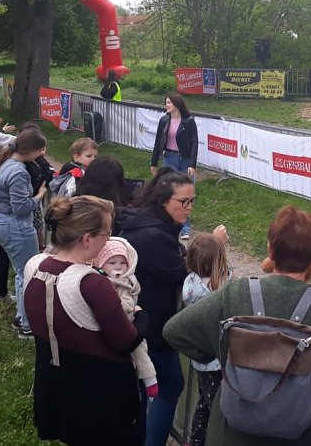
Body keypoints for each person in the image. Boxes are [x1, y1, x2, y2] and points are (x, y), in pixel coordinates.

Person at [163, 205, 311, 446]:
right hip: (298, 434)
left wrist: (224, 354)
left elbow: (174, 331)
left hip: (230, 434)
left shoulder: (236, 293)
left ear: (270, 250)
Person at [115, 167, 228, 446]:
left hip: (140, 319)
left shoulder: (146, 222)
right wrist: (214, 246)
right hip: (152, 326)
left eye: (193, 201)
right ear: (163, 200)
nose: (189, 208)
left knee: (145, 386)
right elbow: (182, 273)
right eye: (184, 202)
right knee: (170, 385)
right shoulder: (153, 236)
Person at [24, 196, 146, 445]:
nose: (109, 241)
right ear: (87, 239)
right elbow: (127, 340)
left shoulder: (35, 266)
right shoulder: (91, 283)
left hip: (55, 384)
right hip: (98, 397)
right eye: (107, 234)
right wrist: (143, 315)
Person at [0, 128, 48, 338]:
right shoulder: (19, 172)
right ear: (32, 150)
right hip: (15, 225)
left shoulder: (6, 161)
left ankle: (22, 316)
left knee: (21, 271)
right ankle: (27, 325)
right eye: (40, 150)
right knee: (27, 273)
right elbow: (21, 208)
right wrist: (39, 196)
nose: (42, 154)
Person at [91, 237, 159, 397]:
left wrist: (113, 303)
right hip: (105, 326)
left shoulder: (127, 283)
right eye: (112, 263)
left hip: (127, 321)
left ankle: (150, 379)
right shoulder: (97, 280)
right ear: (101, 264)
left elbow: (127, 303)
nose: (118, 267)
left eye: (123, 263)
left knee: (140, 349)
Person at [182, 233, 231, 446]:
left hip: (201, 361)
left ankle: (196, 440)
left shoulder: (191, 283)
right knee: (216, 408)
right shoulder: (214, 292)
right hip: (215, 362)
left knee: (203, 403)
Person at [150, 92, 198, 239]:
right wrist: (154, 163)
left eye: (169, 102)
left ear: (176, 104)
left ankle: (185, 228)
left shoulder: (189, 121)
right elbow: (158, 142)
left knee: (185, 193)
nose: (166, 105)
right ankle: (168, 223)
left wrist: (192, 164)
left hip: (184, 159)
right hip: (169, 157)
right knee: (169, 191)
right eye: (166, 102)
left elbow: (194, 143)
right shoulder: (164, 120)